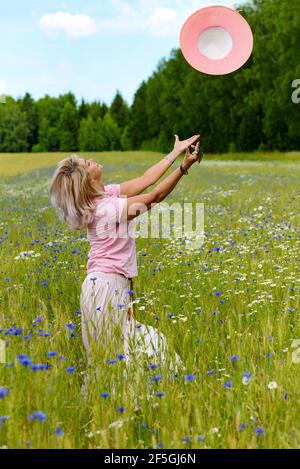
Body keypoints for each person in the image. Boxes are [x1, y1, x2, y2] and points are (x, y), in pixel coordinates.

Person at [49, 135, 202, 386]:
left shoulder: (104, 196)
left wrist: (175, 153)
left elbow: (145, 180)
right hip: (105, 289)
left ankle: (126, 406)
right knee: (115, 357)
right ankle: (124, 408)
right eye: (88, 164)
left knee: (116, 356)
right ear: (87, 181)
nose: (92, 161)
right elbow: (154, 197)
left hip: (107, 286)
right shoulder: (107, 210)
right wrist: (183, 168)